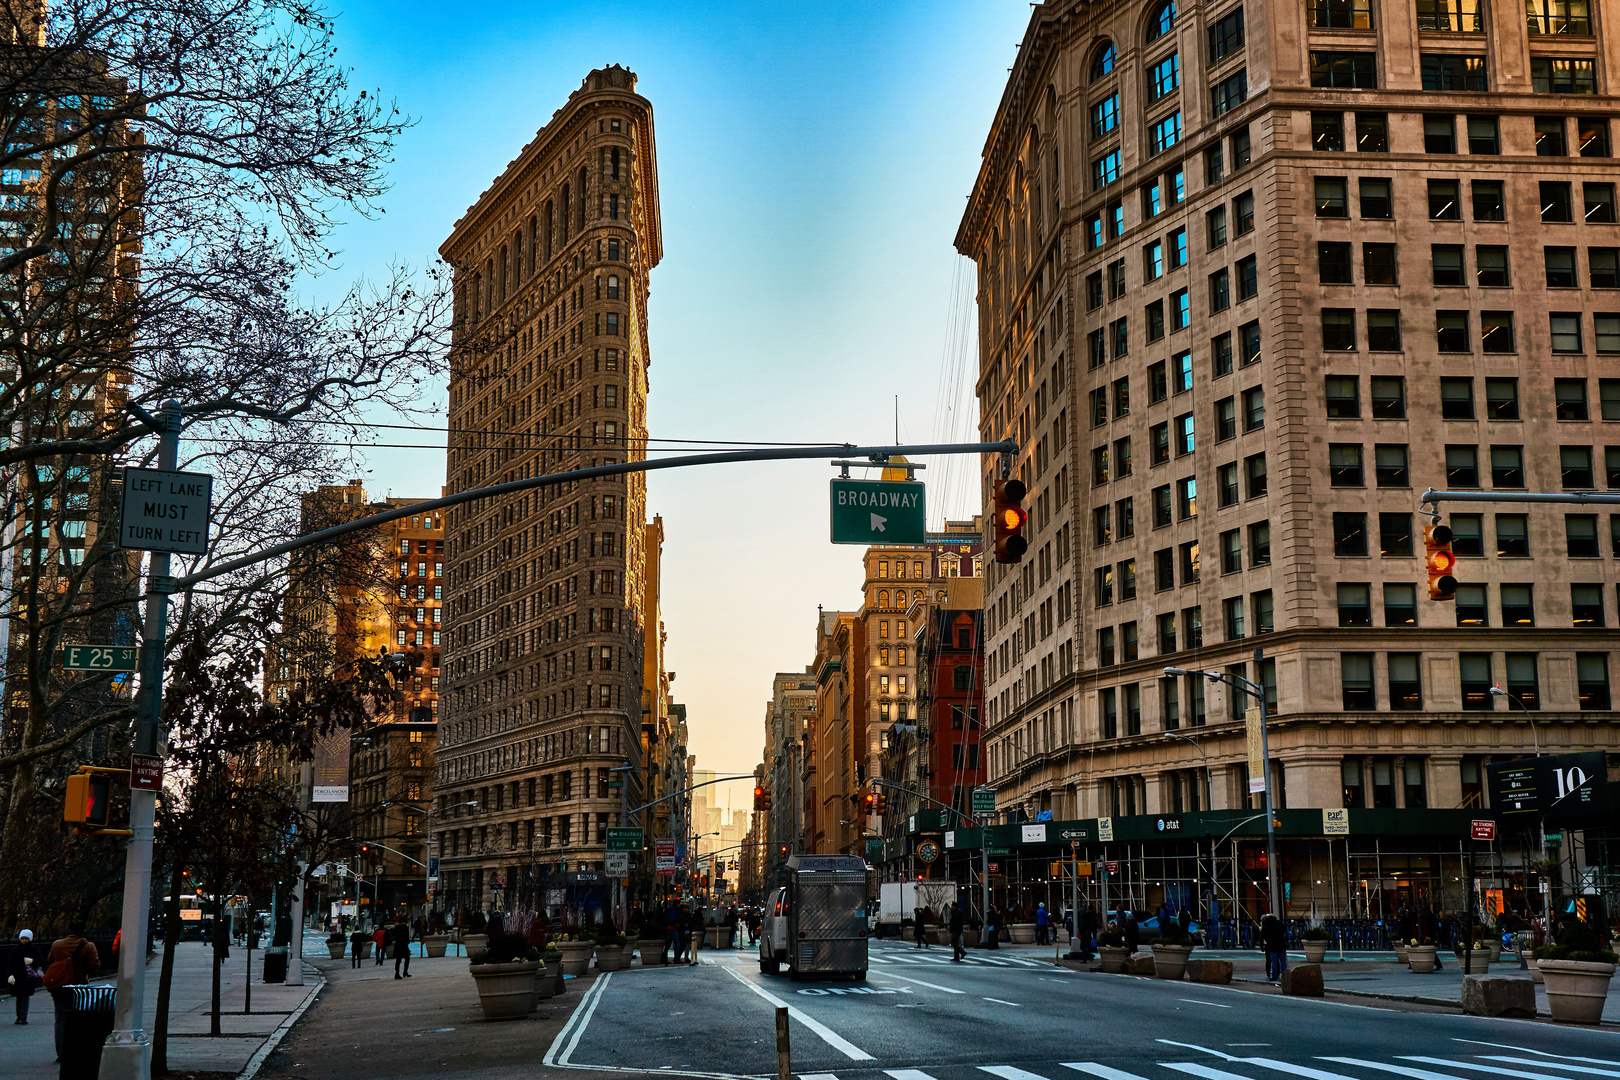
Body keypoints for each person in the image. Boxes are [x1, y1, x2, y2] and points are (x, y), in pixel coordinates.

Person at [46, 921, 100, 1062]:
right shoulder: (88, 946)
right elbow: (95, 965)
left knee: (60, 1019)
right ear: (84, 930)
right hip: (79, 988)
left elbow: (50, 960)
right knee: (79, 1018)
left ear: (69, 930)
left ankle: (61, 1053)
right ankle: (76, 1050)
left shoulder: (57, 945)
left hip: (59, 987)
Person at [8, 928, 40, 1024]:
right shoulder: (15, 950)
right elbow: (10, 963)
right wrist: (10, 974)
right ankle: (20, 1016)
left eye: (26, 938)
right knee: (19, 997)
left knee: (24, 996)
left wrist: (33, 961)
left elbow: (40, 961)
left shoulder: (34, 950)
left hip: (27, 977)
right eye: (22, 938)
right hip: (18, 976)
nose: (24, 940)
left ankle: (23, 1016)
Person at [1260, 912, 1288, 981]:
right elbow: (1285, 932)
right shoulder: (1279, 923)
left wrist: (1262, 946)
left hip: (1272, 945)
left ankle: (1274, 975)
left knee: (1274, 962)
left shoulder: (1266, 925)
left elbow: (1262, 937)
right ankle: (1284, 975)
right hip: (1281, 944)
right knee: (1283, 961)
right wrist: (1286, 942)